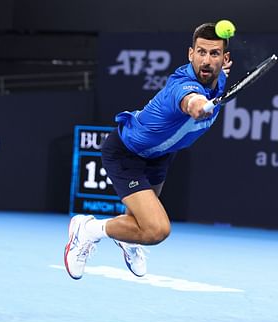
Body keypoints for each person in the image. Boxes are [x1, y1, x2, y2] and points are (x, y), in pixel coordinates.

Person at [64, 22, 233, 279]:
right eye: (200, 52)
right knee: (156, 231)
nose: (206, 61)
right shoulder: (183, 84)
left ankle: (129, 241)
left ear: (225, 58)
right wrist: (199, 106)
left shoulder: (219, 79)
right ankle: (87, 229)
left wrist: (218, 79)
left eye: (214, 54)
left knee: (138, 222)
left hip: (160, 155)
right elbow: (191, 101)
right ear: (190, 54)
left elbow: (217, 76)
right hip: (126, 152)